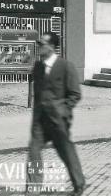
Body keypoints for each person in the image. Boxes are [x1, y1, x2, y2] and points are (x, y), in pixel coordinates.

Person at [26, 32, 85, 196]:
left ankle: (79, 184)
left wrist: (64, 111)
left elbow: (75, 94)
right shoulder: (38, 66)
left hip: (58, 121)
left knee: (66, 152)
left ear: (52, 47)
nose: (39, 47)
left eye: (42, 44)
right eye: (38, 44)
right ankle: (33, 189)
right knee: (33, 151)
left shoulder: (66, 66)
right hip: (39, 120)